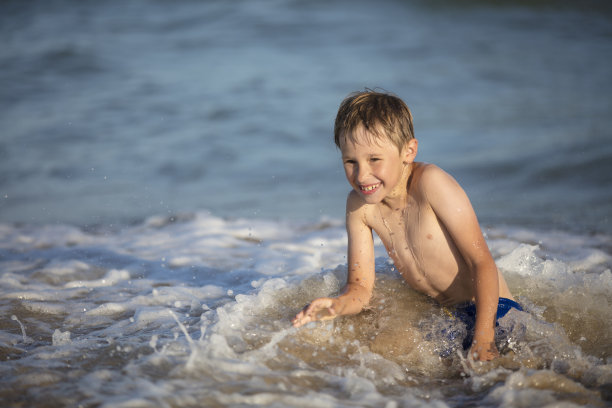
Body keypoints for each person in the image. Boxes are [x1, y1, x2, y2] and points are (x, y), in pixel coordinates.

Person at [292, 90, 521, 361]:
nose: (362, 175)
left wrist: (484, 337)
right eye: (350, 161)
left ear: (408, 151)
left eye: (374, 159)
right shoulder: (359, 206)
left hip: (494, 311)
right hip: (448, 316)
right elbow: (360, 287)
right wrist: (337, 305)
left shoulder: (431, 183)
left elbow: (481, 262)